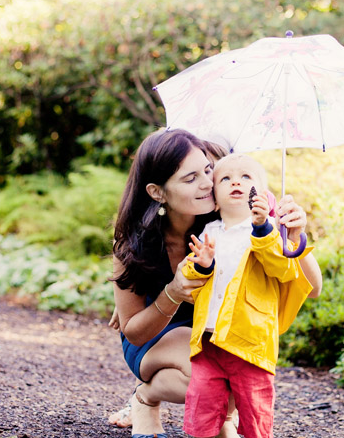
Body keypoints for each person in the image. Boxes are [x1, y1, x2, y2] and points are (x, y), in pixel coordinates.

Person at [109, 129, 320, 438]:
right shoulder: (134, 243)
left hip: (215, 326)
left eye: (208, 170)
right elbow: (134, 331)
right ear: (157, 192)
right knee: (210, 374)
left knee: (242, 369)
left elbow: (312, 288)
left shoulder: (227, 218)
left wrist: (295, 234)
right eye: (189, 178)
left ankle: (220, 419)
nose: (207, 183)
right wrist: (173, 293)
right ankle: (145, 398)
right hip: (155, 335)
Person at [181, 153, 322, 438]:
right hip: (209, 340)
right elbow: (190, 277)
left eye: (247, 177)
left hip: (251, 340)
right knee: (202, 406)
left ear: (264, 195)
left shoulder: (270, 232)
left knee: (255, 411)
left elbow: (282, 269)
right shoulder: (209, 231)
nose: (236, 182)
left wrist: (263, 228)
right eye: (226, 178)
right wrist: (202, 265)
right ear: (215, 199)